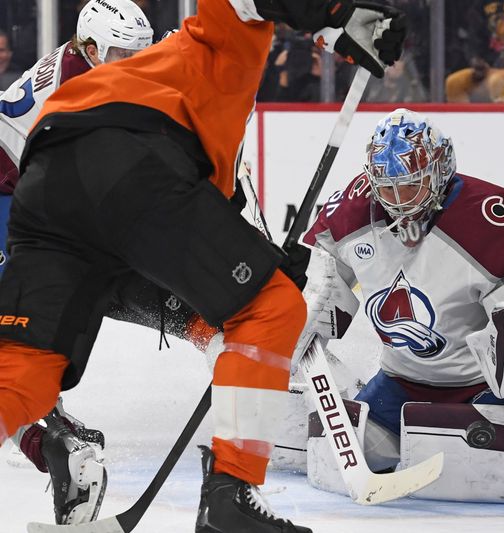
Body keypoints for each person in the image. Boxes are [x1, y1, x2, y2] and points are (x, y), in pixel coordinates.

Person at [0, 1, 406, 533]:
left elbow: (207, 215)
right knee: (272, 307)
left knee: (22, 371)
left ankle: (48, 434)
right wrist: (338, 13)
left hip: (46, 189)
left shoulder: (134, 74)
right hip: (113, 166)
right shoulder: (207, 49)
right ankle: (228, 499)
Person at [296, 108, 504, 471]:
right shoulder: (352, 210)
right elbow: (318, 279)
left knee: (488, 461)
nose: (399, 200)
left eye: (411, 185)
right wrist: (300, 314)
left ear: (440, 170)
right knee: (345, 455)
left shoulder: (484, 215)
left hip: (484, 386)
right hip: (404, 384)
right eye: (387, 188)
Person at [0, 0, 154, 524]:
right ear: (89, 49)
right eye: (121, 54)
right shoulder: (72, 98)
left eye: (140, 52)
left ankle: (55, 439)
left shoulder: (90, 70)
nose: (133, 62)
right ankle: (56, 442)